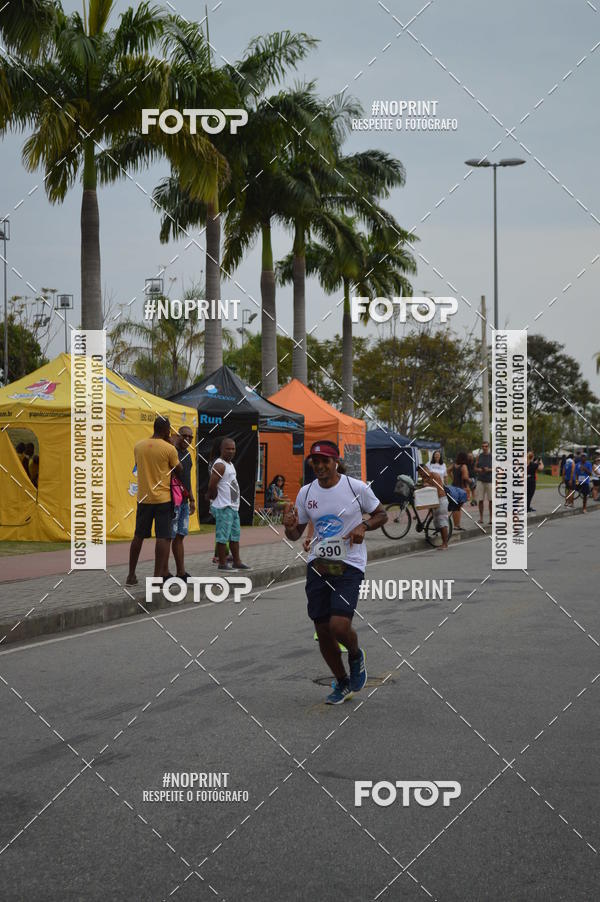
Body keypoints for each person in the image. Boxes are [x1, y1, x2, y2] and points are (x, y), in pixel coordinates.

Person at [283, 440, 387, 705]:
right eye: (314, 462)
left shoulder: (356, 487)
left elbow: (381, 514)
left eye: (324, 461)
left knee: (339, 625)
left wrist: (363, 526)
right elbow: (295, 533)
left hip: (350, 563)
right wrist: (289, 526)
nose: (319, 466)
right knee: (322, 628)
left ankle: (355, 655)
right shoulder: (306, 493)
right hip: (318, 563)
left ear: (335, 461)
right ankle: (341, 681)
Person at [126, 415, 183, 587]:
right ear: (166, 430)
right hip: (163, 499)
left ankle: (131, 575)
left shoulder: (139, 446)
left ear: (153, 427)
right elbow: (179, 470)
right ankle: (157, 578)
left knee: (138, 536)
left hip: (143, 498)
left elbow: (140, 465)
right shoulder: (169, 448)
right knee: (163, 537)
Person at [206, 437, 250, 571]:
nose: (231, 451)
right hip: (224, 507)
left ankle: (237, 561)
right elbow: (212, 485)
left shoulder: (230, 464)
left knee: (235, 536)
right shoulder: (220, 465)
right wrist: (214, 498)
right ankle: (222, 563)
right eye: (228, 449)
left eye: (233, 449)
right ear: (221, 449)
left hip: (233, 507)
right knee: (222, 536)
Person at [170, 426, 196, 581]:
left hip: (185, 501)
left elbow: (187, 480)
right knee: (169, 536)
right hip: (172, 501)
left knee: (180, 536)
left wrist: (192, 499)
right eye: (184, 435)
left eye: (190, 437)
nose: (187, 439)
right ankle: (163, 572)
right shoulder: (172, 452)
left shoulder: (188, 454)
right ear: (178, 435)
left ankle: (181, 572)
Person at [418, 465, 449, 550]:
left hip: (441, 500)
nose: (422, 475)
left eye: (422, 472)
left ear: (426, 469)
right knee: (436, 522)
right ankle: (441, 539)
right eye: (420, 474)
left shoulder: (435, 475)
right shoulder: (425, 478)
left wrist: (428, 486)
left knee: (442, 522)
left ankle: (445, 544)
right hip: (433, 502)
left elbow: (438, 488)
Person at [451, 451, 470, 530]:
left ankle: (455, 524)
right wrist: (470, 480)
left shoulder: (454, 465)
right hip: (462, 487)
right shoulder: (464, 466)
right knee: (458, 507)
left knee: (455, 507)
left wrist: (453, 478)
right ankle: (457, 525)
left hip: (454, 487)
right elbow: (465, 477)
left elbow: (448, 471)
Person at [475, 440, 493, 525]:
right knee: (480, 500)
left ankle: (491, 519)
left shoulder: (492, 456)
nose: (484, 448)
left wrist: (489, 470)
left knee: (491, 500)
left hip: (490, 480)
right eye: (483, 446)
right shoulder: (479, 456)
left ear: (488, 447)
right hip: (480, 480)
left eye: (486, 446)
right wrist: (478, 469)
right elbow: (475, 467)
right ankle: (481, 518)